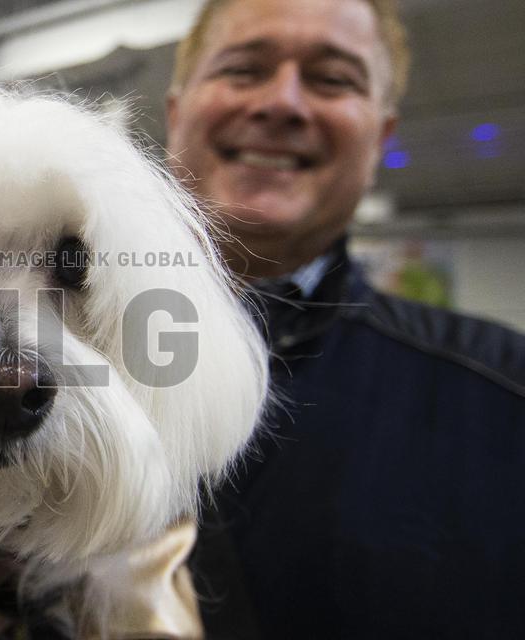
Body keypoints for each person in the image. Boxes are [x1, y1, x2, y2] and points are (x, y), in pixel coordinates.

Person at [165, 0, 525, 638]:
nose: (282, 103)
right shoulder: (23, 372)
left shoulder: (502, 396)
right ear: (177, 110)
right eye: (244, 69)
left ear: (382, 136)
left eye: (333, 79)